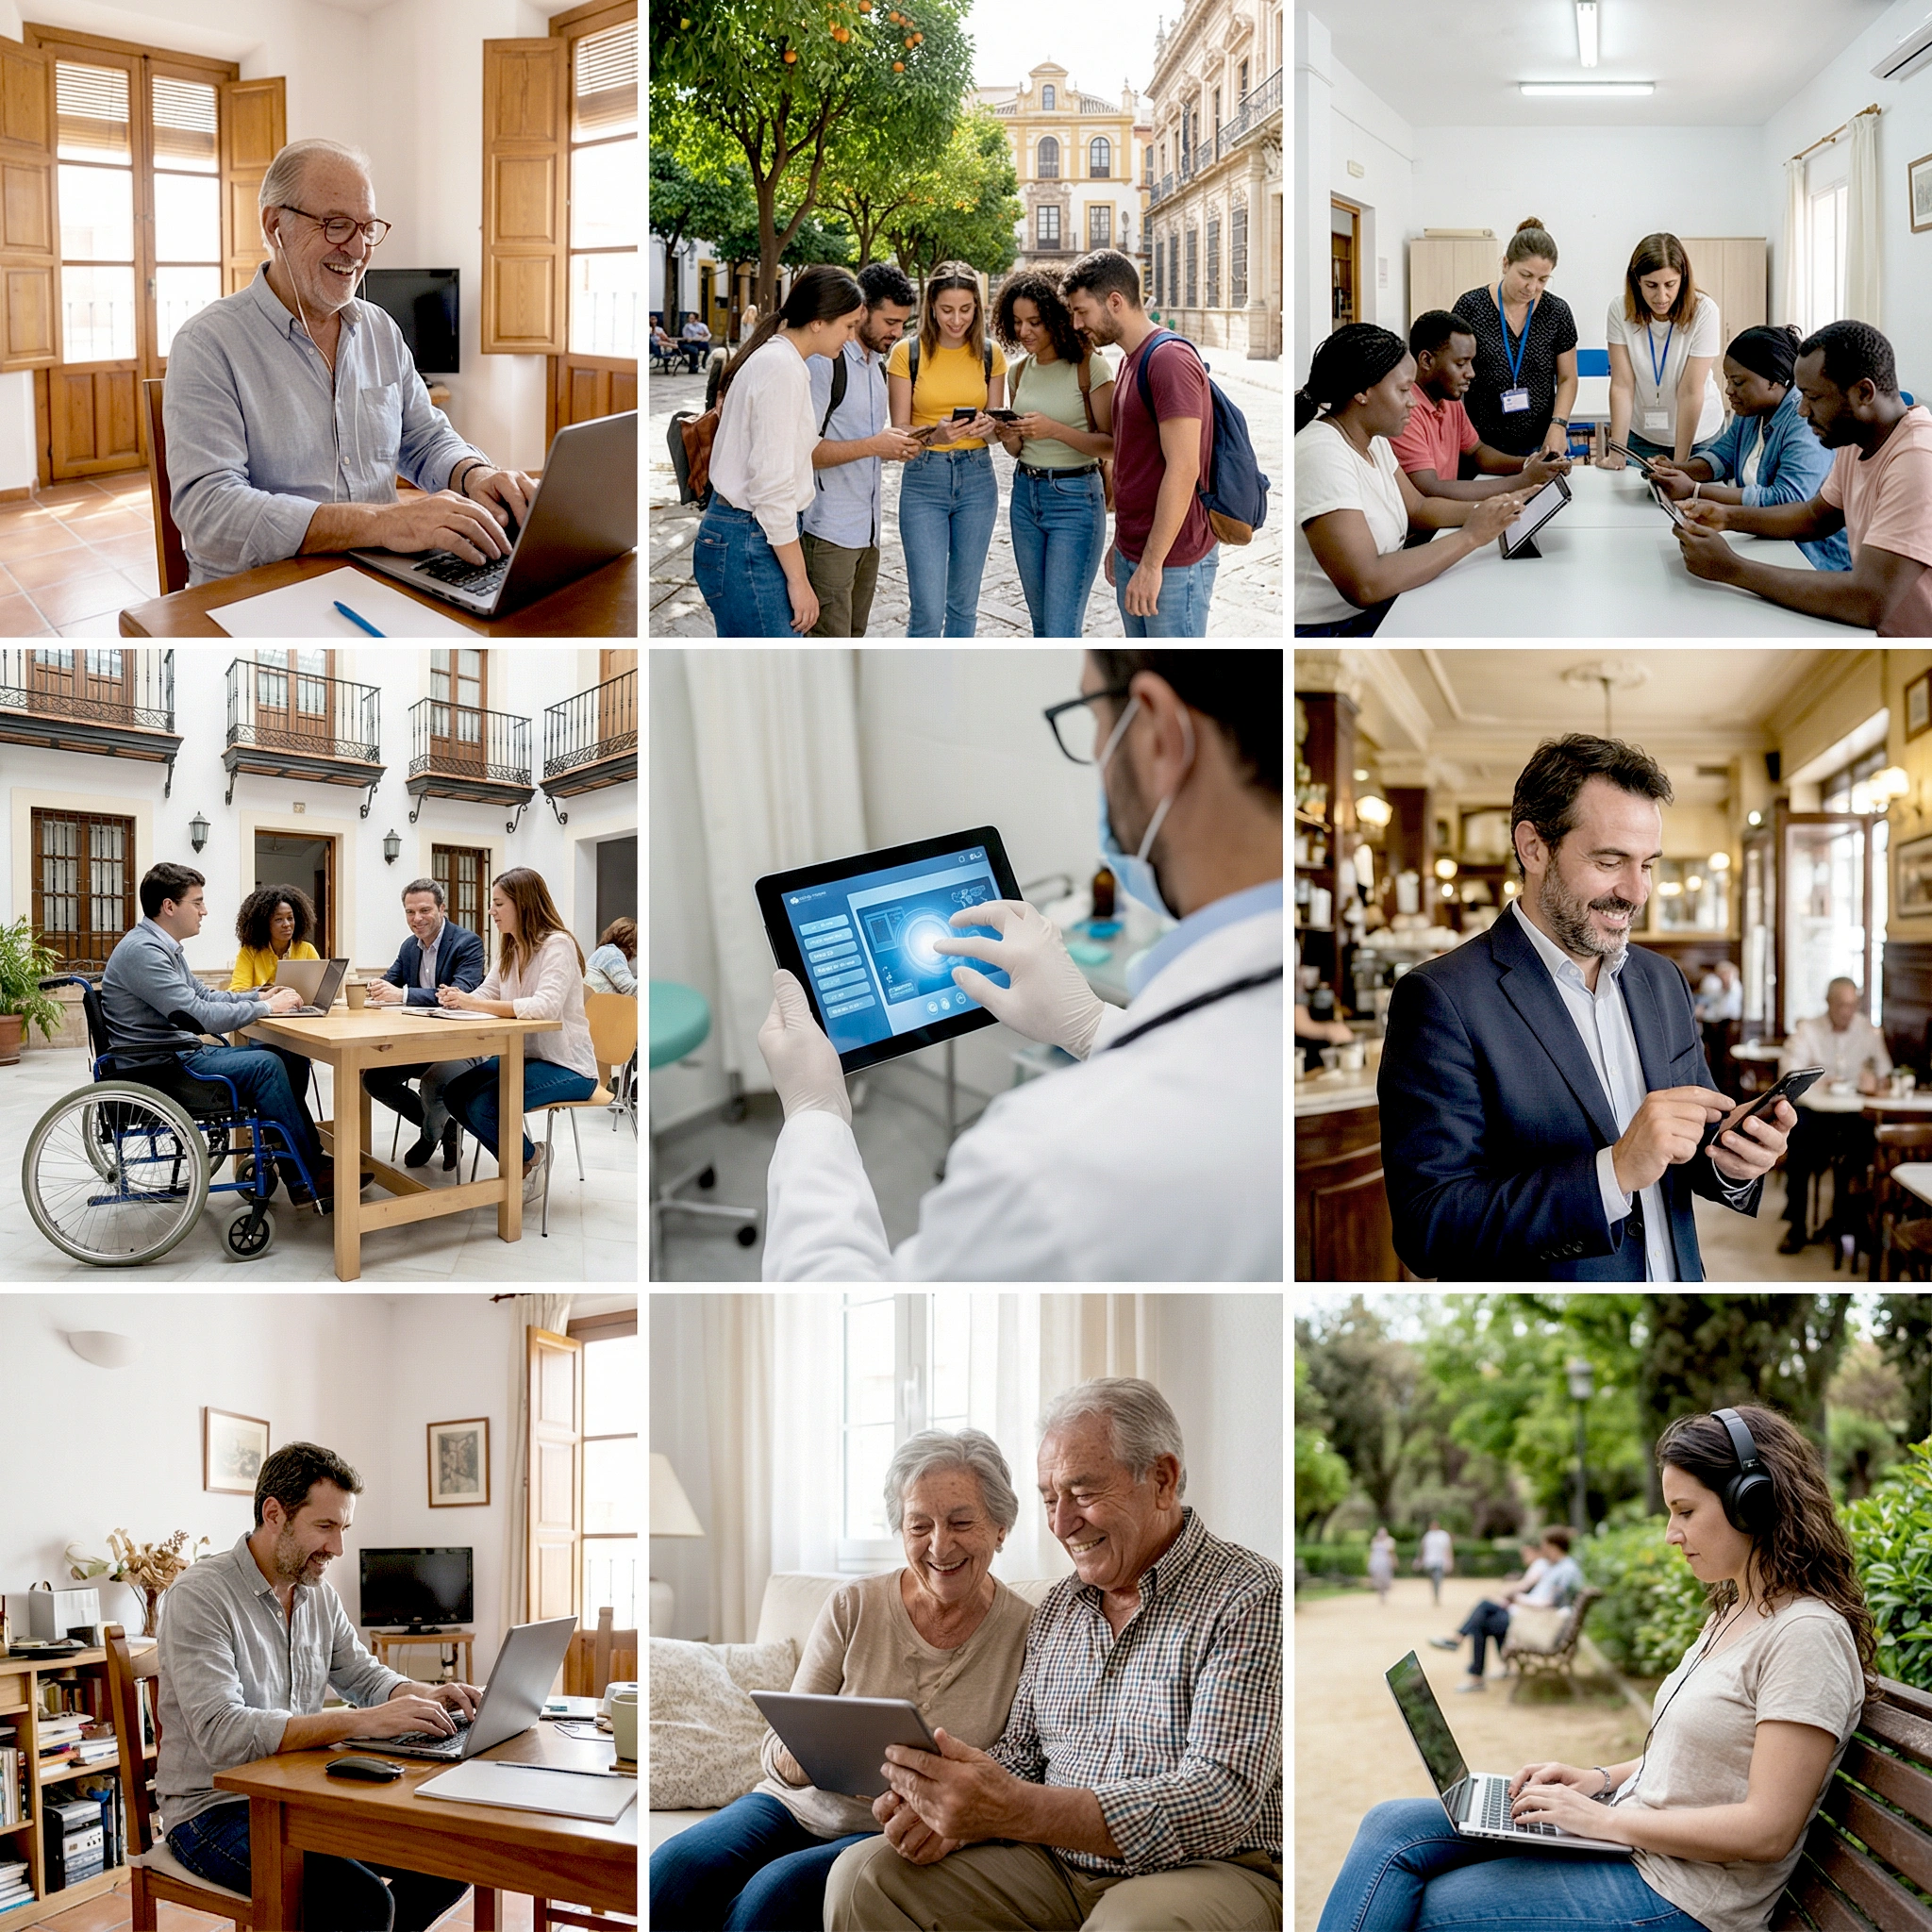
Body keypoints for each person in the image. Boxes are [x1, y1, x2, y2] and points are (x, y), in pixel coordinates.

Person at [756, 652, 1281, 1280]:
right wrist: (1092, 1025)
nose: (1092, 752)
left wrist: (814, 1116)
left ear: (1160, 738)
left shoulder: (1039, 1163)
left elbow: (834, 1300)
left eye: (1090, 714)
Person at [1323, 1405, 1871, 1932]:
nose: (1671, 1534)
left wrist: (1605, 1821)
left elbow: (1767, 1829)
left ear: (1751, 1502)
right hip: (1636, 1843)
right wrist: (1599, 1781)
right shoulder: (1735, 1611)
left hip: (1682, 1895)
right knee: (1390, 1826)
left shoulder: (1805, 1635)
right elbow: (1697, 1753)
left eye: (1685, 1511)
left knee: (1427, 1908)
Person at [824, 1378, 1282, 1932]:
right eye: (1049, 1499)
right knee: (863, 1876)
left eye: (1083, 1493)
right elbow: (1022, 1752)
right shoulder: (1059, 1608)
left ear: (1162, 1479)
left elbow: (1219, 1797)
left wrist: (1015, 1809)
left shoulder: (1248, 1592)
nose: (1062, 1525)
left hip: (1212, 1867)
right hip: (1053, 1862)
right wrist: (955, 1809)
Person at [1378, 735, 1794, 1280]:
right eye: (1609, 860)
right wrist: (1613, 1172)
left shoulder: (1662, 980)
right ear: (1534, 848)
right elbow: (1427, 1230)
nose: (1636, 891)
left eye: (1647, 864)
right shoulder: (1440, 999)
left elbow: (1688, 1145)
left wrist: (1736, 1161)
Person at [650, 1429, 1035, 1932]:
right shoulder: (853, 1605)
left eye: (961, 1522)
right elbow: (776, 1745)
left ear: (1001, 1527)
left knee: (769, 1902)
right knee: (671, 1874)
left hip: (887, 1832)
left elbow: (1022, 1764)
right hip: (791, 1804)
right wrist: (796, 1757)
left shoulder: (1031, 1631)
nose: (940, 1545)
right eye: (919, 1526)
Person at [166, 139, 534, 587]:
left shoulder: (380, 329)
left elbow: (424, 437)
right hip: (257, 591)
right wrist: (383, 523)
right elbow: (210, 513)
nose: (358, 249)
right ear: (274, 225)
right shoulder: (207, 343)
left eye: (368, 228)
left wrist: (474, 474)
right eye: (337, 225)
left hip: (375, 577)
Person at [159, 1441, 478, 1931]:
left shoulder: (317, 1595)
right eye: (325, 1527)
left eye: (343, 1529)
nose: (338, 1548)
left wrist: (420, 1693)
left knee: (454, 1858)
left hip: (297, 1797)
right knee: (361, 1902)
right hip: (212, 1812)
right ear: (274, 1514)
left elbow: (363, 1674)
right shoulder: (201, 1596)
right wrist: (361, 1720)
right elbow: (223, 1735)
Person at [99, 861, 346, 1208]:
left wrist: (259, 996)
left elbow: (205, 996)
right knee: (267, 1064)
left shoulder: (161, 947)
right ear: (169, 907)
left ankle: (304, 1165)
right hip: (162, 1068)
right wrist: (267, 1009)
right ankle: (306, 1174)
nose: (204, 911)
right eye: (197, 902)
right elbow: (199, 1015)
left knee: (285, 1057)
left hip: (171, 1056)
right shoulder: (145, 952)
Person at [1674, 321, 1932, 635]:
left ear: (1864, 392)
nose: (1801, 410)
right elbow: (1815, 516)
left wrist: (1732, 568)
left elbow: (1869, 600)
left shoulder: (1917, 460)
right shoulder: (1857, 439)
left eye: (1813, 397)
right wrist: (1726, 517)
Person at [1295, 325, 1529, 637]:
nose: (1413, 402)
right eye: (1404, 390)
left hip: (1370, 608)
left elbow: (1417, 507)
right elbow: (1365, 583)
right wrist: (1471, 536)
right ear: (1363, 392)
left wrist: (1497, 509)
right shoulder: (1322, 453)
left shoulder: (1370, 437)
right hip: (1330, 628)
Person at [695, 264, 866, 638]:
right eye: (849, 326)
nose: (852, 338)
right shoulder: (780, 368)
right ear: (819, 322)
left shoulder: (781, 361)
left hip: (745, 536)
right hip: (749, 540)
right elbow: (771, 488)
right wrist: (799, 580)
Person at [1059, 248, 1217, 637]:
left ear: (1115, 302)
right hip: (1140, 552)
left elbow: (1183, 469)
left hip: (1172, 563)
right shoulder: (1131, 359)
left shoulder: (1168, 360)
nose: (1077, 324)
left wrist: (1150, 564)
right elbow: (1132, 460)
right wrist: (1124, 543)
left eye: (1082, 312)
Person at [439, 868, 600, 1206]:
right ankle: (527, 1159)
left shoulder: (559, 945)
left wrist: (472, 1002)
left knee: (485, 1105)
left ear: (522, 904)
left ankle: (528, 1162)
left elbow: (544, 1008)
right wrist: (458, 998)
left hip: (569, 1066)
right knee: (454, 1094)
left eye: (498, 903)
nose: (491, 911)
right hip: (526, 1058)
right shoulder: (511, 947)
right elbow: (485, 993)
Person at [1646, 325, 1852, 572]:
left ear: (1774, 381)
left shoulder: (1803, 420)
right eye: (1728, 380)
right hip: (1766, 541)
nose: (1729, 391)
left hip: (1809, 556)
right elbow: (1722, 456)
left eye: (1738, 382)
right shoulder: (1751, 411)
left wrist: (1695, 490)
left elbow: (1788, 499)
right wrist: (1677, 470)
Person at [990, 270, 1115, 637]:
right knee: (1042, 626)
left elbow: (1112, 444)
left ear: (1056, 319)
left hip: (1075, 500)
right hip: (1026, 497)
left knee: (1061, 629)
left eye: (1034, 322)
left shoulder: (1090, 367)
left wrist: (1053, 430)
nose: (1024, 332)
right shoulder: (1018, 372)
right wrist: (1007, 433)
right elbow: (1019, 449)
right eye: (1016, 322)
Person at [803, 260, 923, 637]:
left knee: (855, 640)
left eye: (903, 323)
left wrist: (910, 442)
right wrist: (874, 445)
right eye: (890, 322)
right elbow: (803, 451)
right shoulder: (826, 364)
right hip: (828, 533)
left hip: (868, 534)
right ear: (862, 310)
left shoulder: (877, 367)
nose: (897, 332)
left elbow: (868, 445)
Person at [888, 261, 1008, 636]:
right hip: (925, 481)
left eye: (966, 309)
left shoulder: (991, 354)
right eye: (947, 310)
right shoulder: (906, 353)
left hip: (977, 479)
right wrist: (932, 436)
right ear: (931, 308)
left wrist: (992, 427)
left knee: (963, 608)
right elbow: (900, 431)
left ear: (977, 308)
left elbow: (996, 431)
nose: (957, 320)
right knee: (927, 608)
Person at [360, 877, 488, 1171]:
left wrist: (402, 994)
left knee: (434, 1082)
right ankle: (444, 1126)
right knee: (374, 1079)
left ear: (442, 909)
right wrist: (374, 988)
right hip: (422, 1044)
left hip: (463, 1046)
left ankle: (431, 1134)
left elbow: (458, 994)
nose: (416, 919)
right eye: (409, 912)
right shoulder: (409, 947)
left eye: (424, 910)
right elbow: (390, 981)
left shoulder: (467, 943)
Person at [1390, 311, 1574, 502]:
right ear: (1426, 361)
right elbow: (1429, 488)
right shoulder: (1405, 412)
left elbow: (1478, 452)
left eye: (1471, 362)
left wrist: (1530, 463)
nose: (1471, 373)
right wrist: (1523, 481)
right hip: (1430, 527)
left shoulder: (1450, 401)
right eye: (1461, 364)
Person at [1776, 975, 1892, 1256]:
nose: (1847, 1012)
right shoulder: (1808, 1030)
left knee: (1867, 1150)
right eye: (1841, 1005)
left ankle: (1849, 1220)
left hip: (1854, 1115)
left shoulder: (1867, 1031)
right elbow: (1788, 1074)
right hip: (1816, 1113)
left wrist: (1876, 1083)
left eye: (1852, 1005)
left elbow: (1886, 1075)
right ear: (1828, 1002)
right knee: (1799, 1145)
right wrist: (1821, 1081)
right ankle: (1796, 1225)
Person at [1450, 219, 1580, 461]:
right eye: (1525, 275)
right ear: (1506, 264)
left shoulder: (1557, 312)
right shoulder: (1471, 307)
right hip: (1481, 444)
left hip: (1540, 442)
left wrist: (1559, 424)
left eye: (1543, 279)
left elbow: (1567, 377)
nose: (1532, 288)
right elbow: (1451, 373)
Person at [1602, 232, 1724, 470]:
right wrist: (1617, 452)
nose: (1661, 296)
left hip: (1699, 436)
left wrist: (1679, 466)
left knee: (1692, 504)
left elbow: (1690, 391)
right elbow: (1622, 385)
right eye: (1651, 285)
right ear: (1636, 280)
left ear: (1683, 279)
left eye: (1670, 285)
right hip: (1642, 436)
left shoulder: (1704, 312)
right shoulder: (1619, 309)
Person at [1426, 1527, 1582, 1691]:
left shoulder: (1566, 1570)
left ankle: (1469, 1662)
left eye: (1545, 1546)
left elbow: (1549, 1604)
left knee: (1482, 1620)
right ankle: (1468, 1659)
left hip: (1536, 1621)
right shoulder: (1558, 1566)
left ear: (1553, 1546)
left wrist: (1519, 1600)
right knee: (1484, 1609)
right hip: (1529, 1616)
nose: (1542, 1550)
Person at [229, 883, 325, 1116]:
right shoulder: (250, 951)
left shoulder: (307, 950)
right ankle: (292, 1135)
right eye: (278, 919)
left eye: (290, 918)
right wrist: (269, 991)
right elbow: (236, 991)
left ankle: (288, 1134)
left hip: (297, 1030)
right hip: (264, 1031)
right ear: (265, 923)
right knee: (277, 1058)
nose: (287, 925)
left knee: (298, 1061)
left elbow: (321, 992)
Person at [585, 916, 637, 995]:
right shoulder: (612, 953)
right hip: (605, 1005)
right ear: (631, 944)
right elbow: (632, 990)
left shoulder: (603, 952)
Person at [1415, 1520, 1455, 1607]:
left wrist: (1450, 1561)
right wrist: (1419, 1560)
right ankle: (1434, 1593)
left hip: (1440, 1561)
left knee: (1438, 1578)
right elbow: (1423, 1548)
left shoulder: (1443, 1535)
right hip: (1429, 1562)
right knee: (1433, 1579)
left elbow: (1448, 1549)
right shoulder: (1428, 1536)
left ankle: (1437, 1596)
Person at [1368, 1525, 1396, 1606]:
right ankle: (1380, 1593)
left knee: (1385, 1580)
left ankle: (1383, 1593)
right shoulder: (1374, 1541)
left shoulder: (1389, 1541)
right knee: (1377, 1579)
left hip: (1385, 1563)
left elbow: (1391, 1553)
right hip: (1376, 1562)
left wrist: (1394, 1561)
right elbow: (1372, 1553)